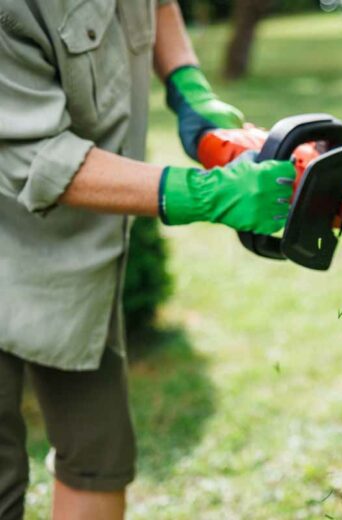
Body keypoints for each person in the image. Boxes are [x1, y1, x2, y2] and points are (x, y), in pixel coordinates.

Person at [0, 1, 295, 518]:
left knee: (99, 456)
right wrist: (199, 194)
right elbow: (32, 157)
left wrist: (190, 90)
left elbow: (157, 6)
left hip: (78, 244)